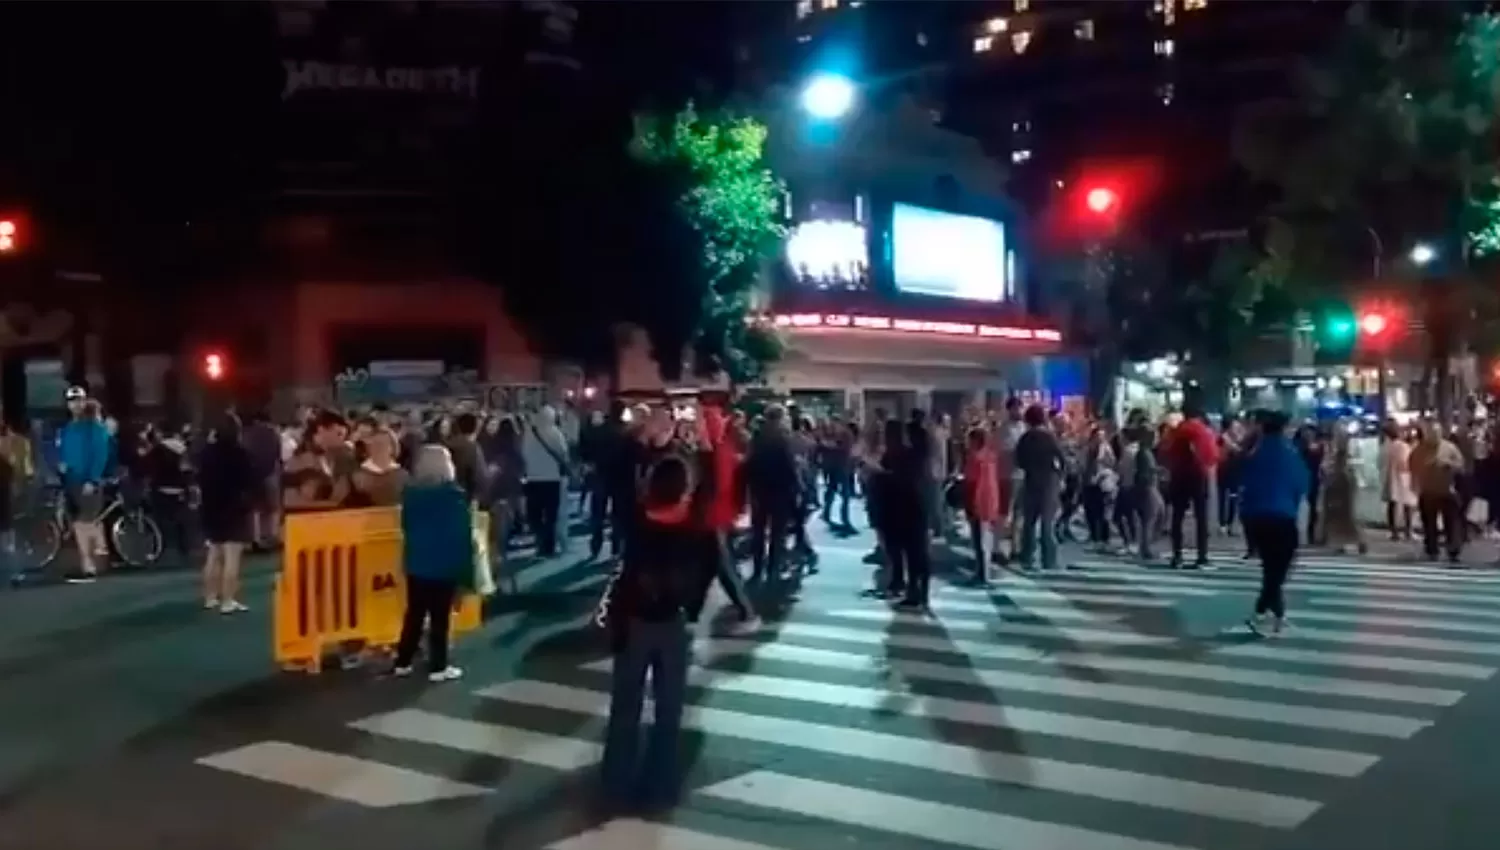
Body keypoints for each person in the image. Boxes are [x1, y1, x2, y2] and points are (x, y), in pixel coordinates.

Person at [599, 440, 717, 809]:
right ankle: (661, 783)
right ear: (685, 487)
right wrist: (693, 605)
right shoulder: (697, 529)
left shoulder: (636, 520)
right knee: (669, 708)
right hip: (673, 620)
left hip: (633, 618)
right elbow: (710, 570)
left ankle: (617, 782)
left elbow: (625, 567)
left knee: (625, 704)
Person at [392, 445, 472, 682]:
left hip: (416, 561)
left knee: (414, 613)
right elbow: (461, 534)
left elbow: (405, 526)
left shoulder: (411, 494)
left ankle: (403, 661)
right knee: (440, 618)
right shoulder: (453, 496)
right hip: (443, 563)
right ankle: (438, 666)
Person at [1238, 410, 1308, 637]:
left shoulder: (1254, 452)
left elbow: (1242, 481)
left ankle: (1277, 616)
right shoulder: (1289, 453)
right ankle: (1260, 613)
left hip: (1256, 518)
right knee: (1278, 569)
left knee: (1271, 568)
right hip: (1282, 516)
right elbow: (1302, 484)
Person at [198, 413, 258, 613]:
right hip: (234, 508)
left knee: (213, 554)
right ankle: (228, 600)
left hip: (211, 507)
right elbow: (249, 481)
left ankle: (210, 597)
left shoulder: (207, 453)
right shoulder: (241, 453)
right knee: (232, 557)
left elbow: (199, 478)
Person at [58, 397, 112, 583]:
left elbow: (100, 455)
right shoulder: (69, 428)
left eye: (79, 401)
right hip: (72, 481)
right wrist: (62, 466)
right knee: (85, 523)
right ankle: (95, 560)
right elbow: (63, 451)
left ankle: (89, 567)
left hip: (87, 482)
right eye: (72, 401)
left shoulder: (95, 428)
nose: (75, 405)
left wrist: (93, 479)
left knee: (83, 523)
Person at [1162, 404, 1218, 569]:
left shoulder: (1177, 431)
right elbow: (1212, 455)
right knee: (1201, 518)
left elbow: (1167, 451)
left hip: (1179, 476)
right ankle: (1202, 556)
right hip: (1199, 476)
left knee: (1177, 517)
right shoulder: (1205, 431)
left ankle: (1177, 556)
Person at [1012, 404, 1064, 572]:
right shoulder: (1050, 437)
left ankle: (1028, 556)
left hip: (1031, 480)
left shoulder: (1025, 438)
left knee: (1029, 522)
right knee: (1047, 523)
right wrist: (1060, 476)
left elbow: (1018, 460)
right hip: (1050, 481)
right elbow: (1061, 458)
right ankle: (1049, 560)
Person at [1410, 419, 1466, 564]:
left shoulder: (1449, 448)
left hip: (1446, 490)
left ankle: (1453, 548)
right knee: (1429, 523)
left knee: (1451, 521)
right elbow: (1412, 467)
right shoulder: (1419, 450)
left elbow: (1461, 465)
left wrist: (1449, 465)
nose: (1434, 435)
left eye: (1436, 432)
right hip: (1428, 491)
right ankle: (1432, 548)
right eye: (1431, 433)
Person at [521, 406, 570, 557]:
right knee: (551, 515)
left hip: (533, 478)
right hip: (552, 479)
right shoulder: (556, 433)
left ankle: (539, 539)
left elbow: (523, 453)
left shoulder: (530, 433)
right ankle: (548, 545)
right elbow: (563, 454)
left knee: (534, 514)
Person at [961, 425, 1001, 583]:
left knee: (978, 538)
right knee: (986, 537)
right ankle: (985, 571)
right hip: (990, 499)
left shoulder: (974, 458)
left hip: (977, 499)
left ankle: (982, 573)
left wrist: (968, 501)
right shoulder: (991, 457)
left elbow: (971, 481)